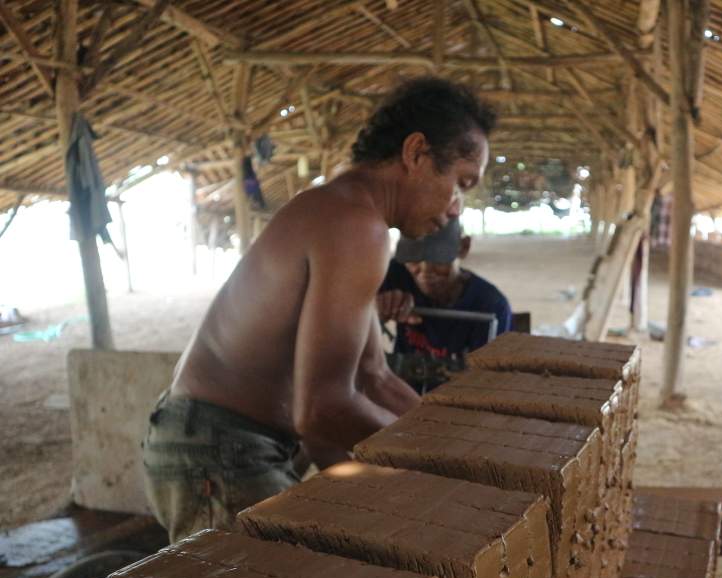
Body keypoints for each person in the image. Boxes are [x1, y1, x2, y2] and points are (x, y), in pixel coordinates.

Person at [142, 78, 496, 542]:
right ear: (415, 153)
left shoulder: (350, 215)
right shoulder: (354, 225)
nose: (456, 208)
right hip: (218, 450)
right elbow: (322, 409)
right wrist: (432, 464)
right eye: (461, 183)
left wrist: (450, 439)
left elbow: (375, 376)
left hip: (217, 440)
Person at [377, 217, 512, 361]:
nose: (425, 271)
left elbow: (487, 377)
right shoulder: (397, 273)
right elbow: (353, 317)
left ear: (463, 247)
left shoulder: (492, 305)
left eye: (438, 259)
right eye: (414, 258)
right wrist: (374, 311)